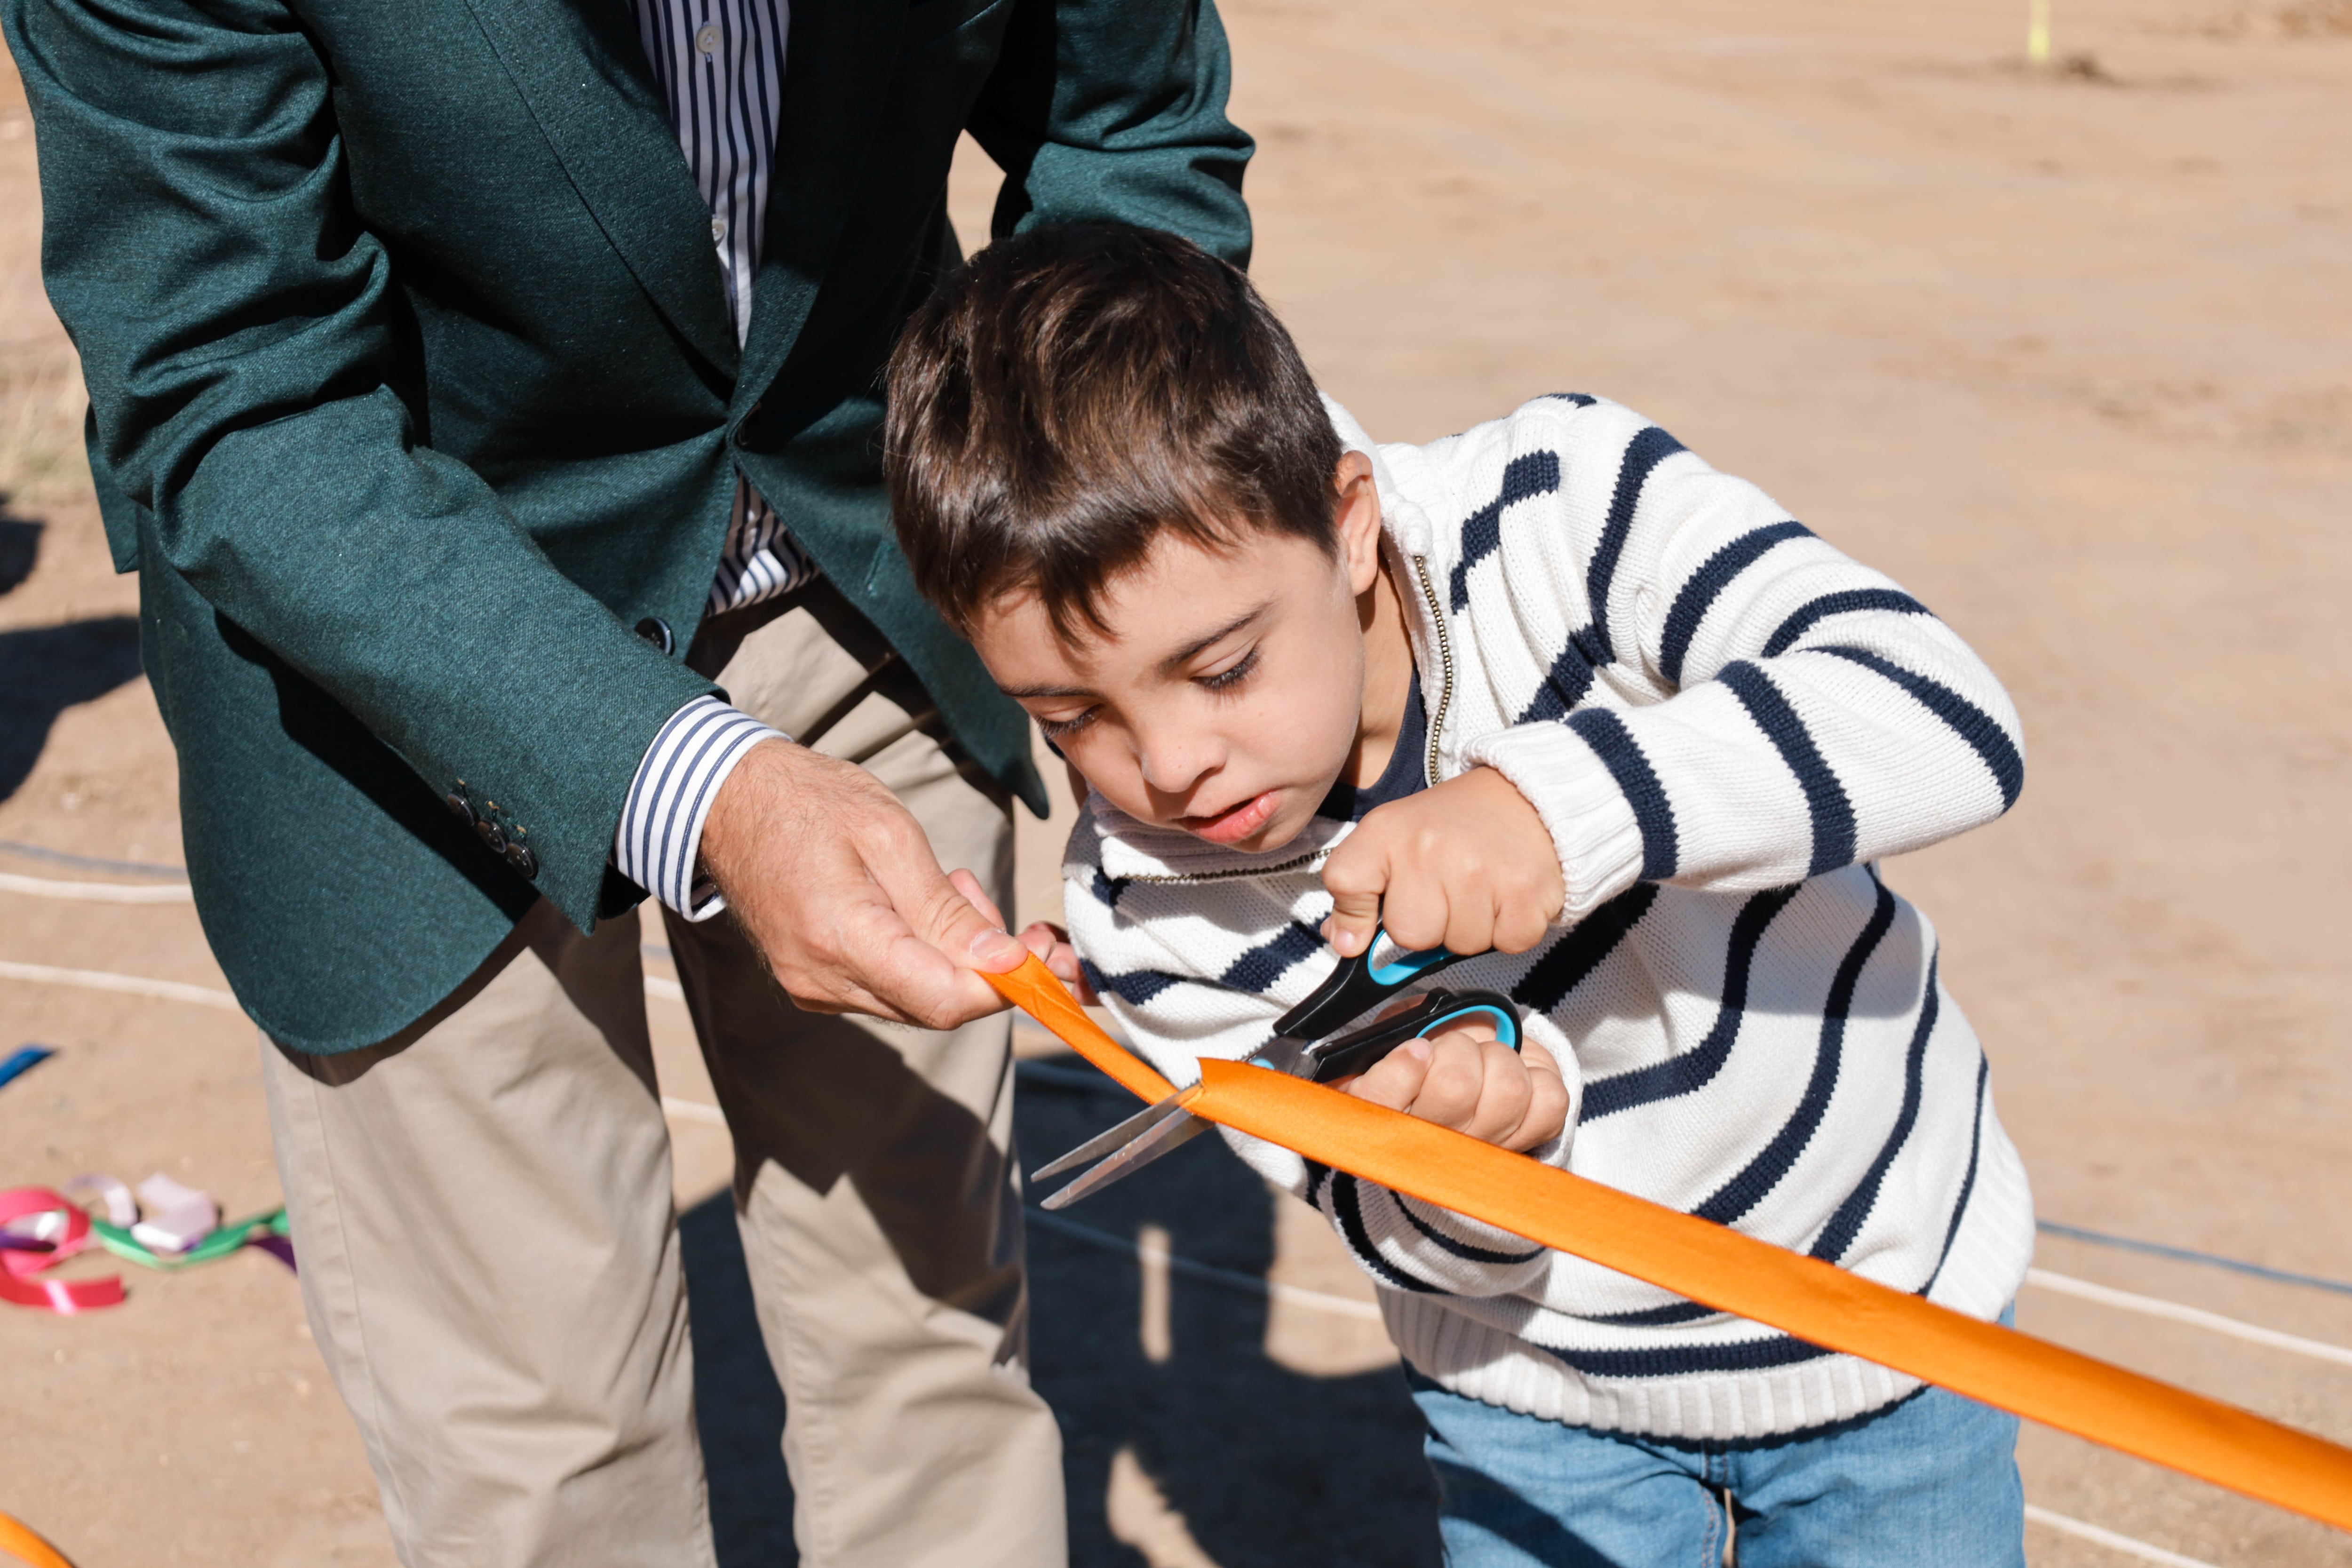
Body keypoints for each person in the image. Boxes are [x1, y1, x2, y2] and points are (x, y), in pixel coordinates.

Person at [4, 4, 1252, 1564]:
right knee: (555, 1458)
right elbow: (234, 393)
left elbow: (1129, 130)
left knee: (934, 1354)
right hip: (386, 644)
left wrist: (1125, 574)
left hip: (865, 569)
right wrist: (704, 783)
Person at [883, 224, 2037, 1567]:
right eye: (1072, 715)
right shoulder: (1145, 916)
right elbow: (1389, 1226)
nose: (1171, 768)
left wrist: (1561, 810)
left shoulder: (1565, 510)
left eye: (1224, 668)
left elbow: (1946, 718)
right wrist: (1470, 1170)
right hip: (1533, 1399)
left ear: (1350, 519)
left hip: (1884, 1307)